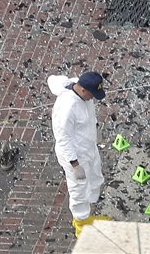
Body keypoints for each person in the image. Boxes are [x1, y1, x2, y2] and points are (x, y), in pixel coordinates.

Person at [47, 71, 110, 237]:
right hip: (76, 158)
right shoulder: (66, 108)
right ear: (83, 90)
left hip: (88, 148)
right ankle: (81, 224)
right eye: (92, 95)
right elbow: (63, 139)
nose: (93, 98)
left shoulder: (78, 86)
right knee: (78, 189)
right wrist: (75, 165)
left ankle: (89, 213)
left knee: (95, 177)